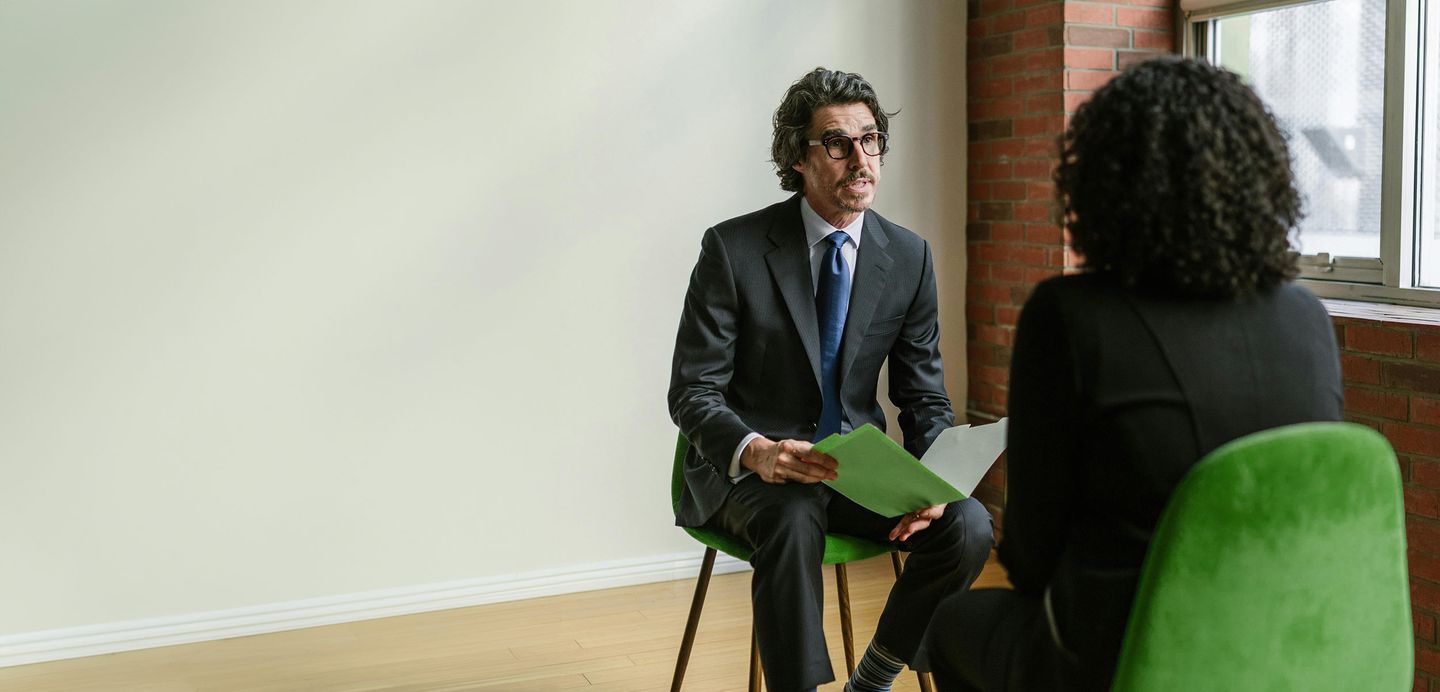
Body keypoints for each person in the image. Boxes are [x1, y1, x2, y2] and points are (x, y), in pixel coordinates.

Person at [914, 56, 1345, 691]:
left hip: (1129, 658)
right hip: (1289, 647)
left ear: (1107, 186)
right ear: (1259, 180)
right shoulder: (1306, 318)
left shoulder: (1069, 317)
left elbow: (1031, 563)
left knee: (953, 624)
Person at [668, 67, 995, 692]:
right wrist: (755, 450)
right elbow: (692, 390)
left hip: (856, 471)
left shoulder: (908, 256)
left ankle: (872, 678)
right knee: (792, 515)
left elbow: (922, 396)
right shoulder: (732, 249)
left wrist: (937, 481)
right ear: (797, 158)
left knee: (969, 524)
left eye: (870, 140)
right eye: (838, 144)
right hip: (752, 471)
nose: (861, 159)